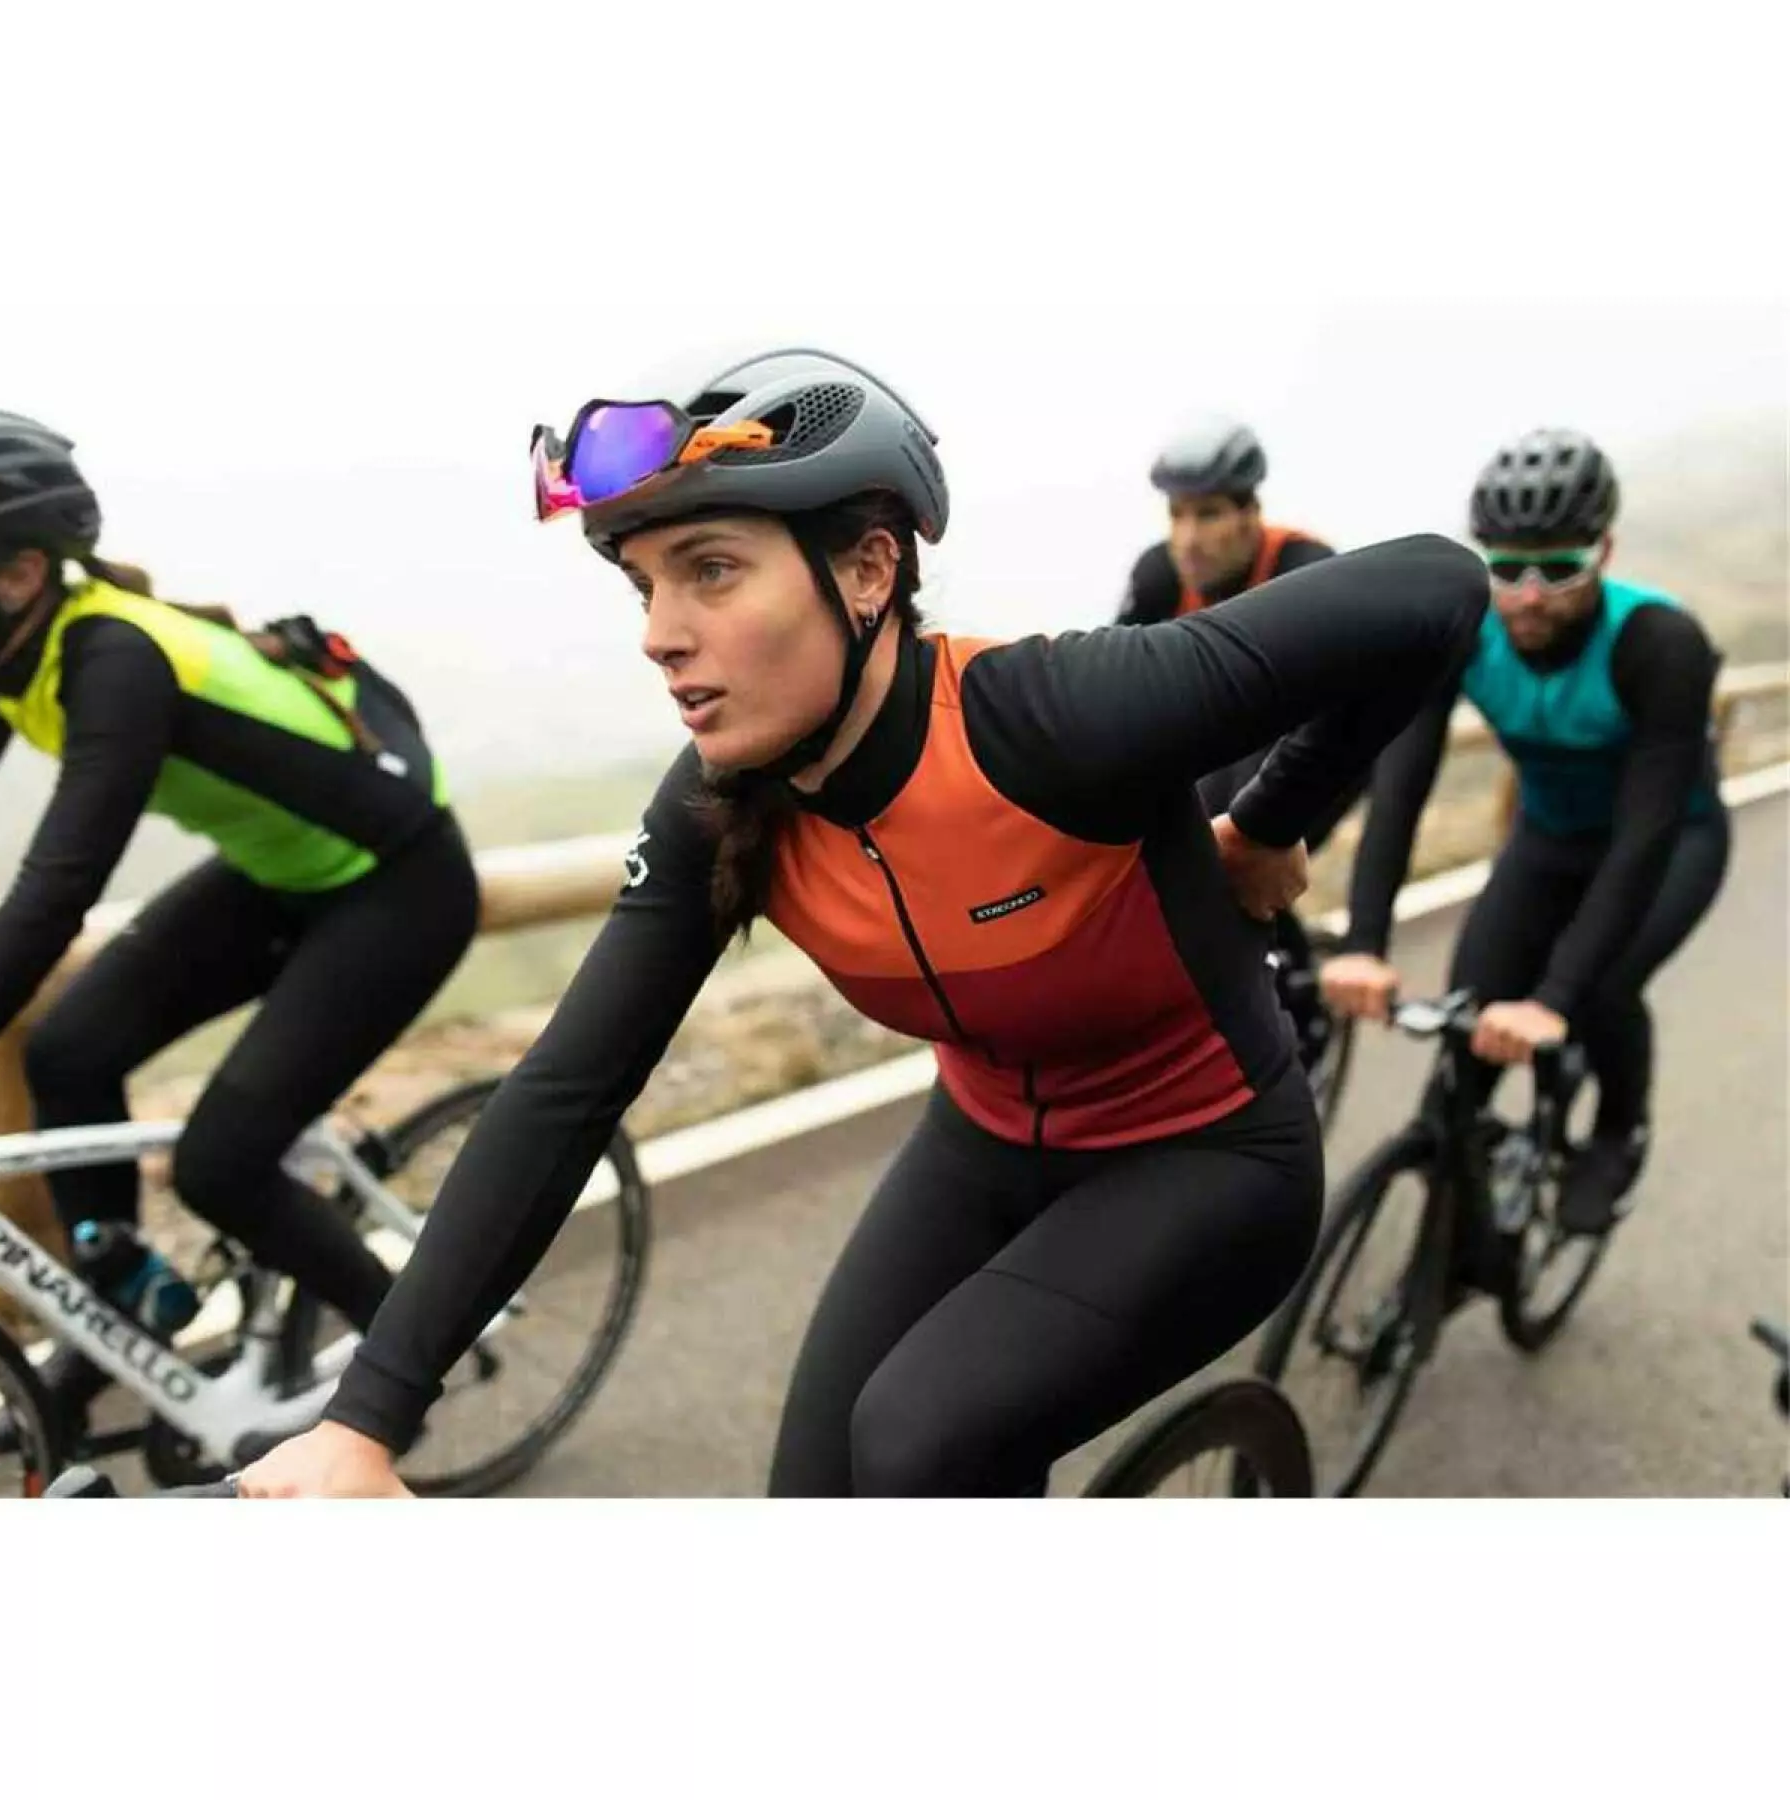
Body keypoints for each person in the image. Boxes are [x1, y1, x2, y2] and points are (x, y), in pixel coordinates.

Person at [239, 347, 1487, 1498]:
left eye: (711, 570)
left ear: (869, 571)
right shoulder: (720, 808)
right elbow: (565, 1090)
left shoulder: (1049, 720)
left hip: (1206, 1155)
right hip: (987, 1141)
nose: (661, 635)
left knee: (918, 1435)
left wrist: (1267, 823)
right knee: (815, 1487)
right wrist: (365, 1423)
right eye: (644, 585)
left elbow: (1436, 588)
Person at [0, 410, 480, 1443]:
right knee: (67, 1051)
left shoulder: (115, 658)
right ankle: (123, 1299)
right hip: (279, 876)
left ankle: (399, 1378)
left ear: (20, 570)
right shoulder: (12, 657)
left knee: (221, 1163)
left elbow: (58, 886)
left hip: (399, 886)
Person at [1320, 426, 1728, 1236]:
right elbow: (1402, 786)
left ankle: (1618, 1132)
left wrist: (1555, 998)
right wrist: (1364, 940)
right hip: (1548, 840)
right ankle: (1454, 1227)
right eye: (1507, 569)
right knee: (1469, 1031)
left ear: (1604, 552)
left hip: (1669, 842)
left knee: (1602, 987)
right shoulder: (1461, 633)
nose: (1529, 595)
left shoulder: (1659, 644)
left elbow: (1643, 836)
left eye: (1559, 568)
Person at [1118, 416, 1354, 840]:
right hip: (1225, 739)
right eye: (1177, 515)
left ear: (1251, 515)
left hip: (1317, 743)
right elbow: (1118, 697)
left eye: (1208, 515)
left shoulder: (1304, 569)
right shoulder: (1158, 576)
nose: (1188, 540)